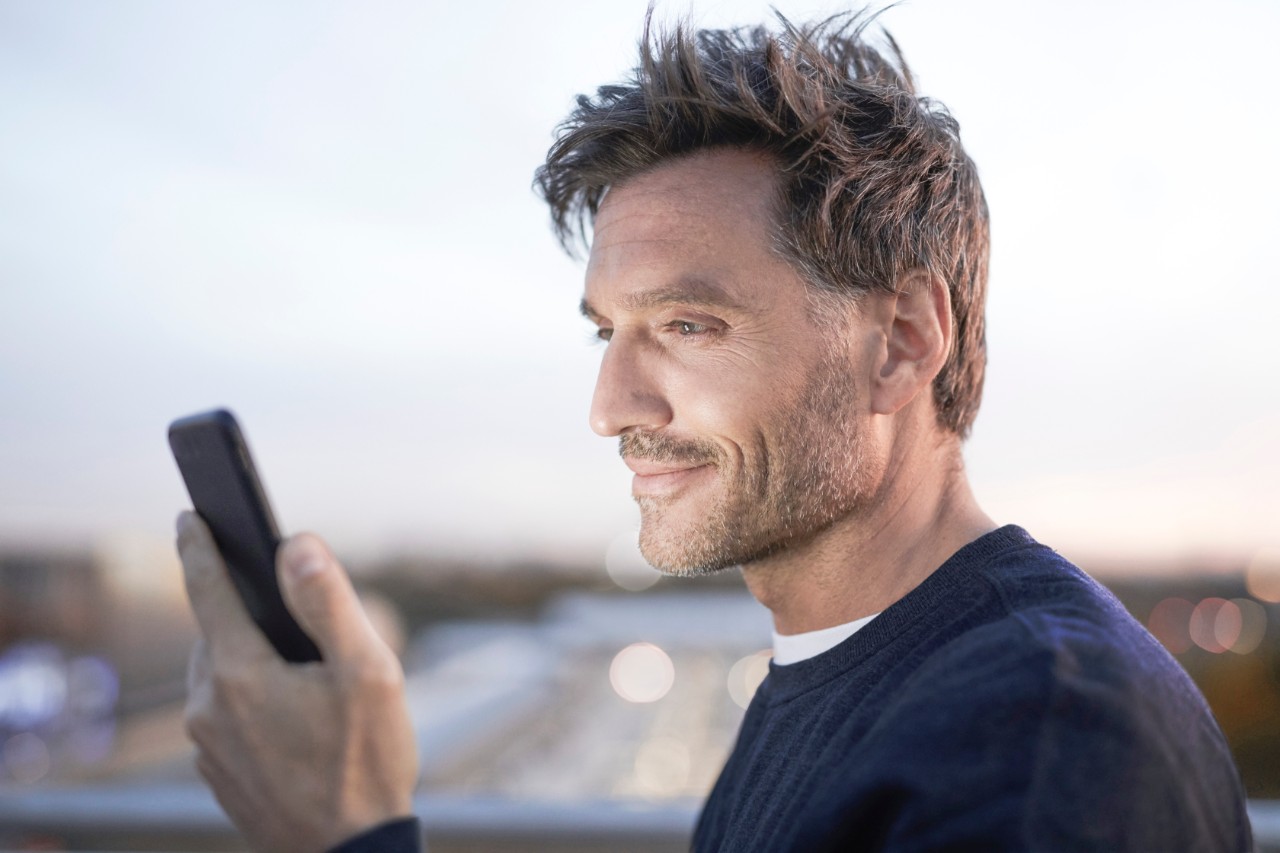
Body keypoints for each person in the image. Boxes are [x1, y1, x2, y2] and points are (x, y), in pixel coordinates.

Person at [176, 11, 1253, 853]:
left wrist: (351, 830)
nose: (611, 408)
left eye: (688, 325)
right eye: (608, 332)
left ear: (900, 339)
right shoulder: (839, 672)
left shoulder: (1038, 745)